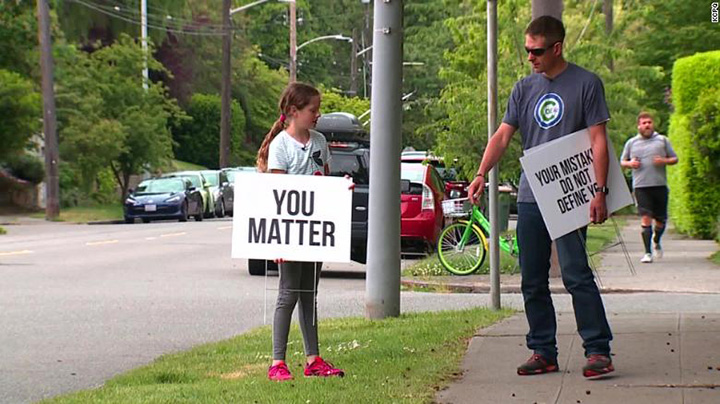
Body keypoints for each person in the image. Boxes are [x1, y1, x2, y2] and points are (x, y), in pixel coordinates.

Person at [467, 16, 615, 378]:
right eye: (527, 50)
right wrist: (481, 173)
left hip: (570, 195)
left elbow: (598, 140)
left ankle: (597, 350)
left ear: (557, 48)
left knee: (576, 274)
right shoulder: (523, 89)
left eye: (536, 51)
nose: (530, 57)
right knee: (532, 278)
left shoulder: (586, 84)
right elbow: (502, 135)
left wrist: (600, 191)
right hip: (532, 195)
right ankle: (542, 351)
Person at [256, 82, 345, 381]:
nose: (318, 115)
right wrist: (278, 243)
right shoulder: (281, 145)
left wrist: (342, 189)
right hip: (291, 235)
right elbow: (278, 195)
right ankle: (277, 362)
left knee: (309, 293)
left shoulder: (319, 141)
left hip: (313, 235)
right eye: (313, 110)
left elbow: (325, 183)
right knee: (288, 294)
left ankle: (313, 358)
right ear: (294, 112)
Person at [621, 112, 678, 263]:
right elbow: (622, 161)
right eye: (644, 123)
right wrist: (630, 164)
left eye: (649, 122)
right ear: (639, 126)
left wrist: (664, 161)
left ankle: (656, 240)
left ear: (653, 124)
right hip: (641, 186)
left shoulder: (662, 140)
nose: (647, 125)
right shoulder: (631, 143)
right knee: (645, 218)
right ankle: (647, 253)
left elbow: (675, 158)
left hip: (659, 185)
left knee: (661, 221)